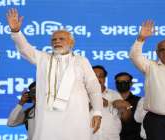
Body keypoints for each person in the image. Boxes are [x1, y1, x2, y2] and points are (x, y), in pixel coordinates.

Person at [6, 8, 103, 140]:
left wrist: (97, 112)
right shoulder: (43, 58)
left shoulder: (81, 61)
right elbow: (25, 49)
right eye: (54, 40)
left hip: (75, 116)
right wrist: (16, 32)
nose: (56, 41)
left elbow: (94, 87)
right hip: (48, 117)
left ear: (71, 43)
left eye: (61, 39)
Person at [91, 65, 131, 140]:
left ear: (105, 79)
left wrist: (127, 107)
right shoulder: (82, 95)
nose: (97, 79)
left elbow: (125, 118)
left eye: (101, 76)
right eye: (94, 76)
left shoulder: (114, 94)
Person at [115, 72, 143, 140]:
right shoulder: (111, 100)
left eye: (125, 82)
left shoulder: (140, 101)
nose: (121, 84)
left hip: (134, 137)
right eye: (119, 82)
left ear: (131, 83)